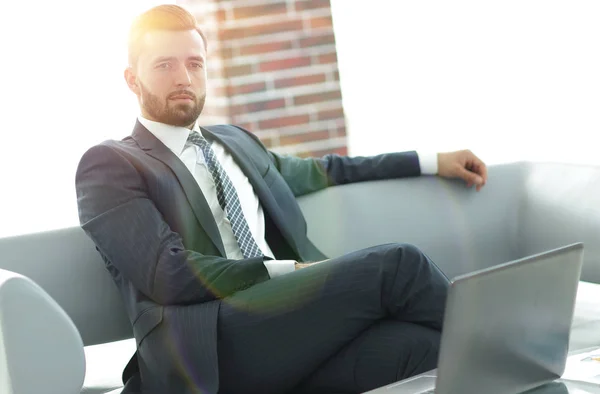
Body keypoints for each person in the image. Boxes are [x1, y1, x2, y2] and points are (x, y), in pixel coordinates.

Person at [75, 4, 488, 394]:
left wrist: (432, 161)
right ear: (132, 80)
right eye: (164, 65)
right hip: (212, 349)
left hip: (288, 340)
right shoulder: (111, 163)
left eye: (194, 63)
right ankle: (510, 349)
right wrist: (285, 271)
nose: (183, 77)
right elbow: (167, 273)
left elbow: (328, 170)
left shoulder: (235, 143)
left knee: (420, 347)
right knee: (400, 265)